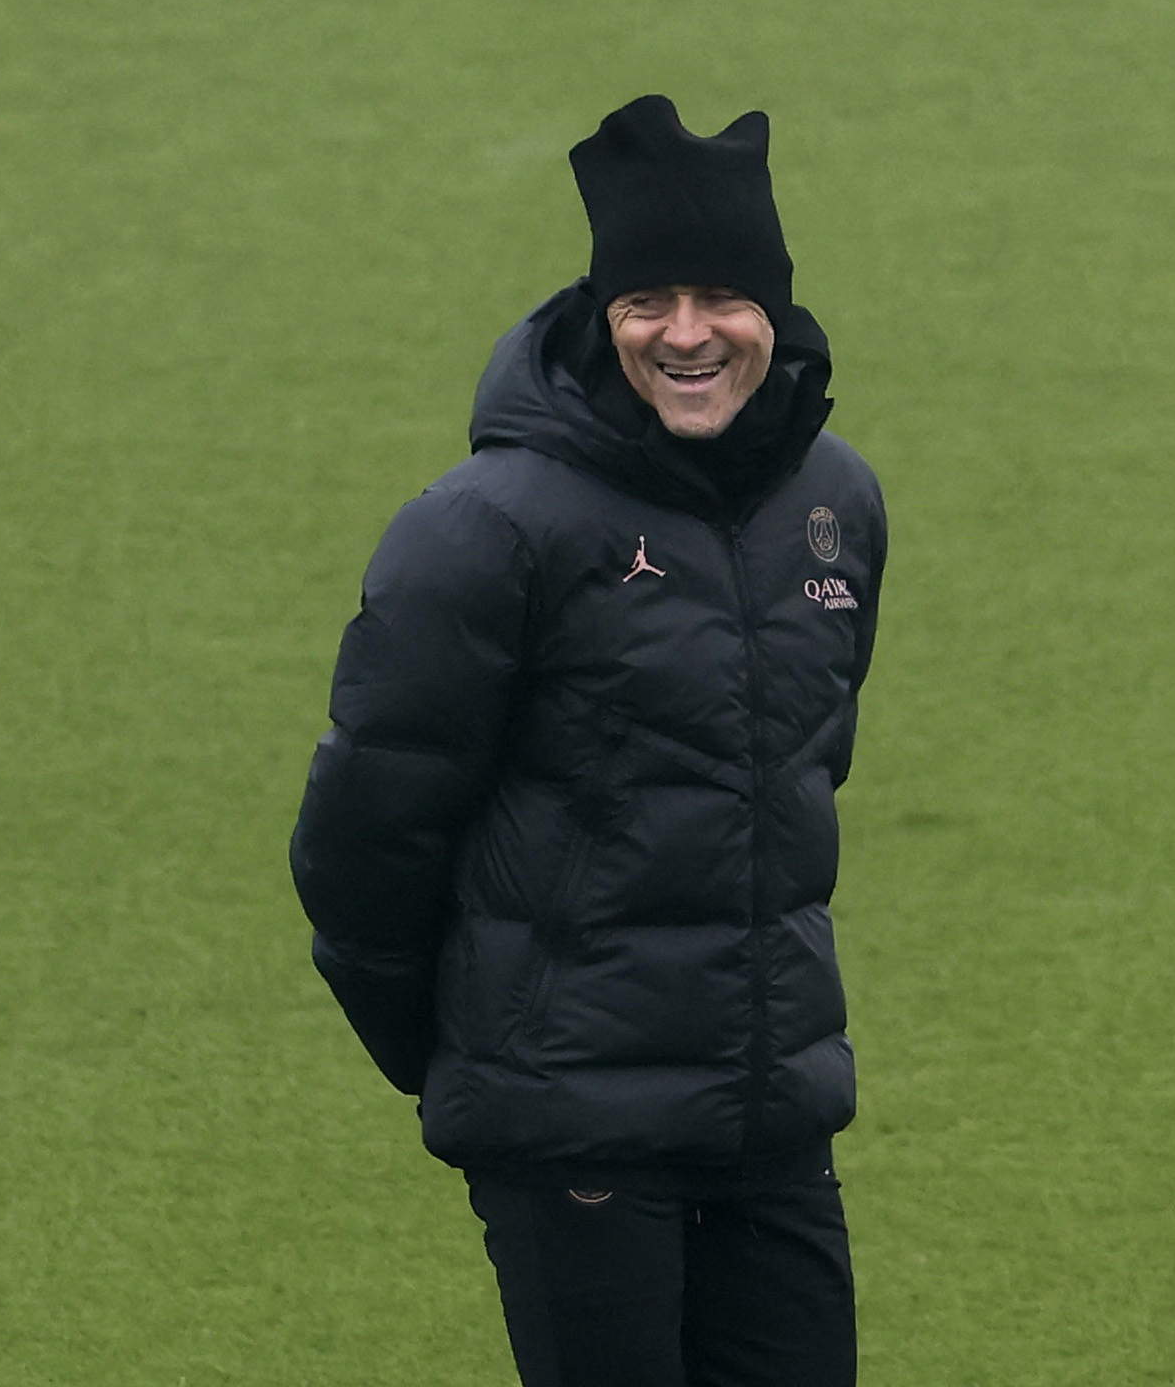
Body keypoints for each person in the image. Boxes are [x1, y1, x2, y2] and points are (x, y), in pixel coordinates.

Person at [290, 94, 888, 1387]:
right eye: (646, 301)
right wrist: (484, 1057)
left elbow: (796, 780)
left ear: (771, 314)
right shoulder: (486, 529)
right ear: (599, 312)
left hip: (768, 1117)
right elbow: (360, 838)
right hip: (571, 1134)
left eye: (721, 297)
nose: (687, 334)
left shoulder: (832, 506)